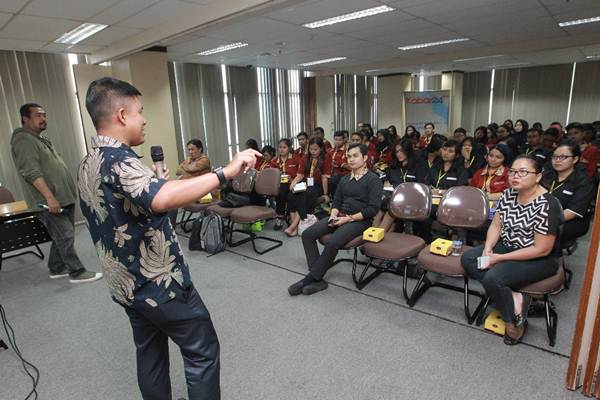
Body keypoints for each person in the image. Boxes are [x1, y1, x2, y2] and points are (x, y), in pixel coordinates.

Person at [78, 77, 260, 400]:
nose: (144, 119)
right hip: (159, 283)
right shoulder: (119, 160)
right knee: (202, 349)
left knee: (150, 353)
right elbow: (160, 200)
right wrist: (224, 172)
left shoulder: (87, 163)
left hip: (126, 285)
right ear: (121, 115)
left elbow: (123, 211)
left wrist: (152, 183)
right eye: (140, 112)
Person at [461, 155, 562, 345]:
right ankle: (515, 296)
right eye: (513, 171)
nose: (515, 176)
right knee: (468, 259)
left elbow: (541, 249)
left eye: (523, 172)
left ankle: (514, 322)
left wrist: (499, 258)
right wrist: (489, 248)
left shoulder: (548, 204)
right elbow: (497, 226)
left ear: (538, 177)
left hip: (539, 258)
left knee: (493, 278)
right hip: (507, 246)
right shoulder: (508, 194)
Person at [10, 103, 103, 283]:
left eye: (44, 115)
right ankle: (76, 272)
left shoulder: (39, 139)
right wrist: (50, 197)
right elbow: (31, 172)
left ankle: (56, 267)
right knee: (66, 235)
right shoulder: (23, 140)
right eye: (38, 115)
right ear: (25, 119)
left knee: (62, 236)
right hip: (48, 200)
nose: (43, 119)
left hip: (61, 197)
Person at [287, 143, 383, 296]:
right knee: (307, 234)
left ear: (365, 158)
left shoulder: (373, 180)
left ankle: (310, 279)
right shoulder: (345, 179)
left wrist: (348, 219)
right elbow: (337, 201)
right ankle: (318, 280)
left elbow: (372, 209)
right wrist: (333, 214)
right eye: (349, 156)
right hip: (340, 216)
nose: (351, 159)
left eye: (355, 156)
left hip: (360, 221)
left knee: (333, 242)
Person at [541, 141, 595, 243]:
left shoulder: (583, 181)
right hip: (542, 214)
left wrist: (542, 219)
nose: (557, 160)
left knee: (546, 230)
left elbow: (572, 212)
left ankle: (552, 257)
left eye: (562, 157)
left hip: (571, 220)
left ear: (575, 159)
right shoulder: (547, 174)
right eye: (554, 157)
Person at [373, 139, 427, 231]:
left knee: (390, 209)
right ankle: (375, 235)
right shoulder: (394, 167)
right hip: (392, 200)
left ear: (408, 151)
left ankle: (376, 236)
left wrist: (395, 187)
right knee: (381, 209)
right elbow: (384, 178)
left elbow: (420, 187)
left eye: (402, 151)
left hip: (411, 200)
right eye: (397, 151)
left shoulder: (418, 167)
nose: (399, 154)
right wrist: (385, 180)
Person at [285, 137, 332, 237]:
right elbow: (300, 175)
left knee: (303, 195)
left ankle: (293, 226)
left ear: (321, 148)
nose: (313, 152)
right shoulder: (305, 158)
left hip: (317, 185)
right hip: (305, 184)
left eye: (316, 149)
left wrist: (325, 194)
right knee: (291, 195)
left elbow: (324, 178)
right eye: (311, 149)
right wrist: (293, 183)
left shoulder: (326, 157)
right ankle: (296, 227)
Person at [270, 138, 301, 230]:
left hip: (295, 184)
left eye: (284, 147)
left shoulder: (296, 159)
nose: (282, 149)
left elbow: (301, 173)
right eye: (280, 147)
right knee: (282, 188)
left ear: (289, 148)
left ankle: (282, 216)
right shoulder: (274, 161)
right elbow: (272, 176)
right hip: (281, 185)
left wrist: (292, 180)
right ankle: (281, 216)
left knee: (284, 191)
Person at [329, 130, 350, 200]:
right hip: (331, 174)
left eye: (340, 140)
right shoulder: (331, 151)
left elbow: (350, 166)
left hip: (342, 175)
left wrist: (340, 164)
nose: (337, 142)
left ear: (344, 140)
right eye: (336, 139)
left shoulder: (347, 151)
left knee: (334, 179)